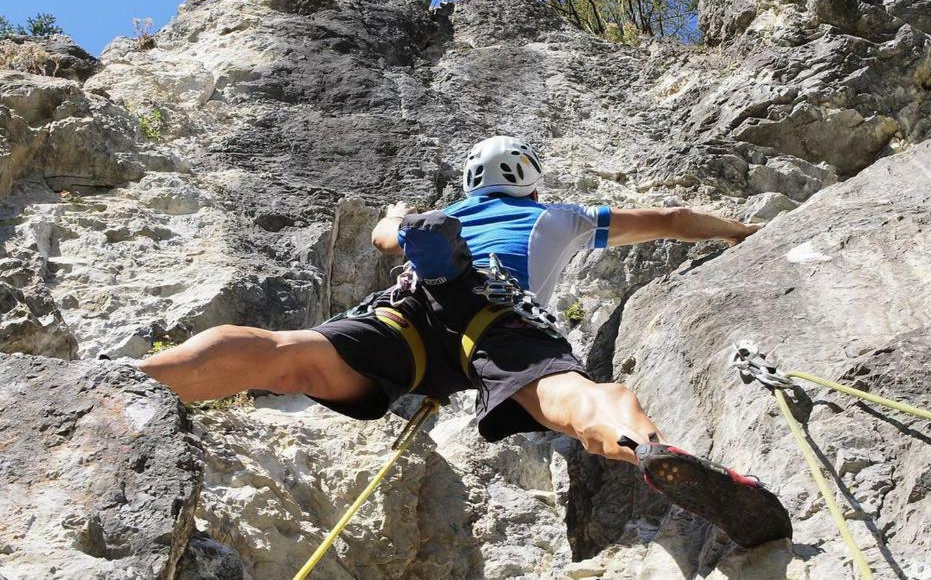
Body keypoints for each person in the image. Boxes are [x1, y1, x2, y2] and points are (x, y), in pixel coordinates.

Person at [138, 135, 791, 547]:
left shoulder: (458, 209)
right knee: (571, 398)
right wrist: (740, 233)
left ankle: (132, 381)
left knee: (286, 357)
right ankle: (648, 448)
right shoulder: (553, 214)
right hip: (501, 314)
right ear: (529, 181)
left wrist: (398, 225)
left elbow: (382, 237)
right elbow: (672, 220)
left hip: (409, 316)